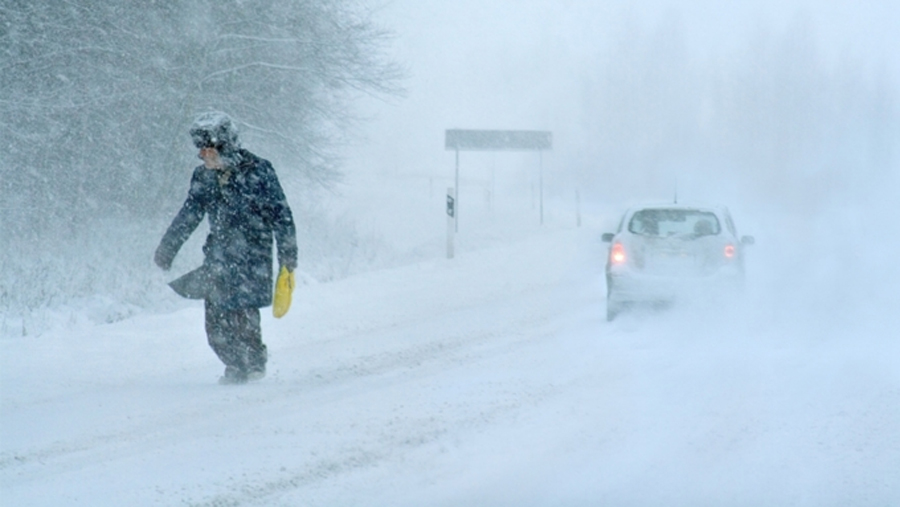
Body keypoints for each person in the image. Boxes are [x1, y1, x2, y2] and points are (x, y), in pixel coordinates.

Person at [154, 112, 297, 384]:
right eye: (201, 152)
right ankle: (233, 364)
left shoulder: (259, 171)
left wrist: (288, 257)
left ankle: (253, 362)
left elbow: (282, 216)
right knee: (216, 322)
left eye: (209, 151)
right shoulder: (203, 177)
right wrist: (168, 247)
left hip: (253, 256)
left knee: (242, 314)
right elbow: (189, 214)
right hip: (218, 256)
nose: (204, 157)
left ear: (226, 147)